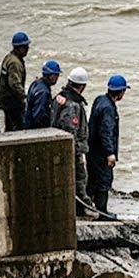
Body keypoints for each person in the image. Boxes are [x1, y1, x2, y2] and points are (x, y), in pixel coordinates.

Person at [86, 74, 127, 216]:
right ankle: (102, 212)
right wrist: (110, 153)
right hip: (101, 152)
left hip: (91, 148)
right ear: (121, 92)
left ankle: (86, 207)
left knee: (92, 178)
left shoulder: (99, 100)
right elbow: (106, 132)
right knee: (104, 180)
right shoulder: (109, 109)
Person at [51, 67, 89, 216]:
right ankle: (79, 209)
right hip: (72, 149)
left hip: (60, 146)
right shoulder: (72, 105)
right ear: (82, 86)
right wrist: (76, 152)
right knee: (79, 179)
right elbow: (70, 131)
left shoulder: (60, 97)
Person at [0, 32, 31, 131]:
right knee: (17, 127)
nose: (28, 50)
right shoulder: (15, 63)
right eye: (26, 47)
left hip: (6, 101)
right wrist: (24, 98)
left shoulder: (9, 57)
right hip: (12, 102)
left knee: (10, 126)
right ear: (20, 48)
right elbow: (15, 84)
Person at [25, 60, 62, 129]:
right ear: (52, 76)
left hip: (28, 123)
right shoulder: (43, 92)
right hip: (35, 130)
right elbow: (39, 116)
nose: (57, 78)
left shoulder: (36, 83)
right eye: (57, 75)